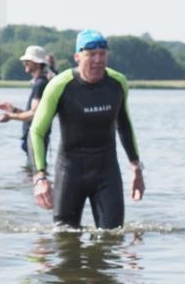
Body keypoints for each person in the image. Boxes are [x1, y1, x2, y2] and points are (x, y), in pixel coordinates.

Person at [30, 29, 145, 229]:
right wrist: (40, 177)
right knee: (64, 239)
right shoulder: (60, 85)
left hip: (106, 172)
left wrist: (136, 168)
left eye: (103, 54)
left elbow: (125, 125)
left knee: (112, 237)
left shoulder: (117, 83)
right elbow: (37, 132)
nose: (98, 59)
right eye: (91, 54)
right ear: (77, 57)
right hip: (70, 171)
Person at [0, 45, 55, 153]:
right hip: (34, 137)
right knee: (31, 169)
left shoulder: (40, 84)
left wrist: (10, 116)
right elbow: (36, 113)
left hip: (36, 138)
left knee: (37, 169)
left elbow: (34, 114)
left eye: (28, 60)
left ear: (37, 63)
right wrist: (14, 110)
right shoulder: (40, 83)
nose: (25, 63)